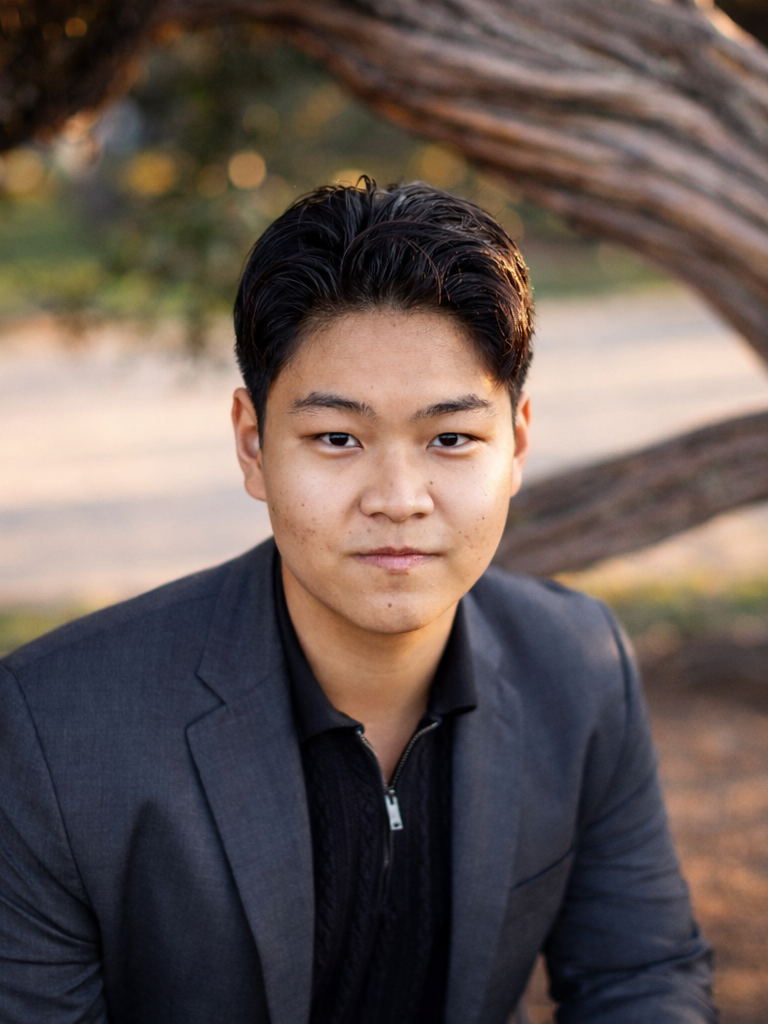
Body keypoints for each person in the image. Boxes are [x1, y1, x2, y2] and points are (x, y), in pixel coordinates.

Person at [0, 179, 715, 1024]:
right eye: (338, 438)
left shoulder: (579, 665)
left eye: (451, 438)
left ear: (516, 444)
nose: (399, 497)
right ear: (252, 443)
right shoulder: (56, 729)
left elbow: (642, 978)